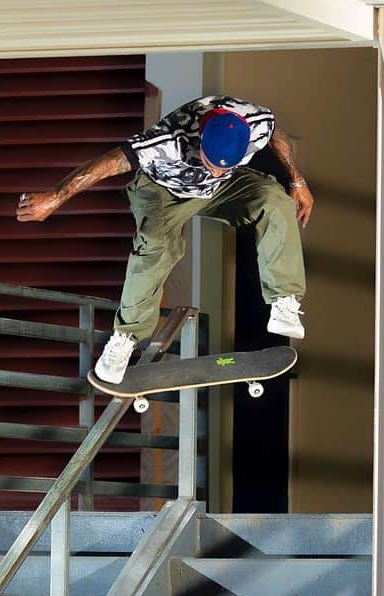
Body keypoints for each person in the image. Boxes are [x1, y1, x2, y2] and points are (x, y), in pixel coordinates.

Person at [17, 94, 312, 384]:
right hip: (162, 190)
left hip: (216, 191)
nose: (218, 169)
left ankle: (283, 298)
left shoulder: (255, 123)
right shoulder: (168, 139)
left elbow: (277, 134)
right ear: (201, 142)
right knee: (158, 245)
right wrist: (56, 196)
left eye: (225, 166)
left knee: (275, 200)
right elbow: (107, 164)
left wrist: (297, 181)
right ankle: (124, 339)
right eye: (212, 163)